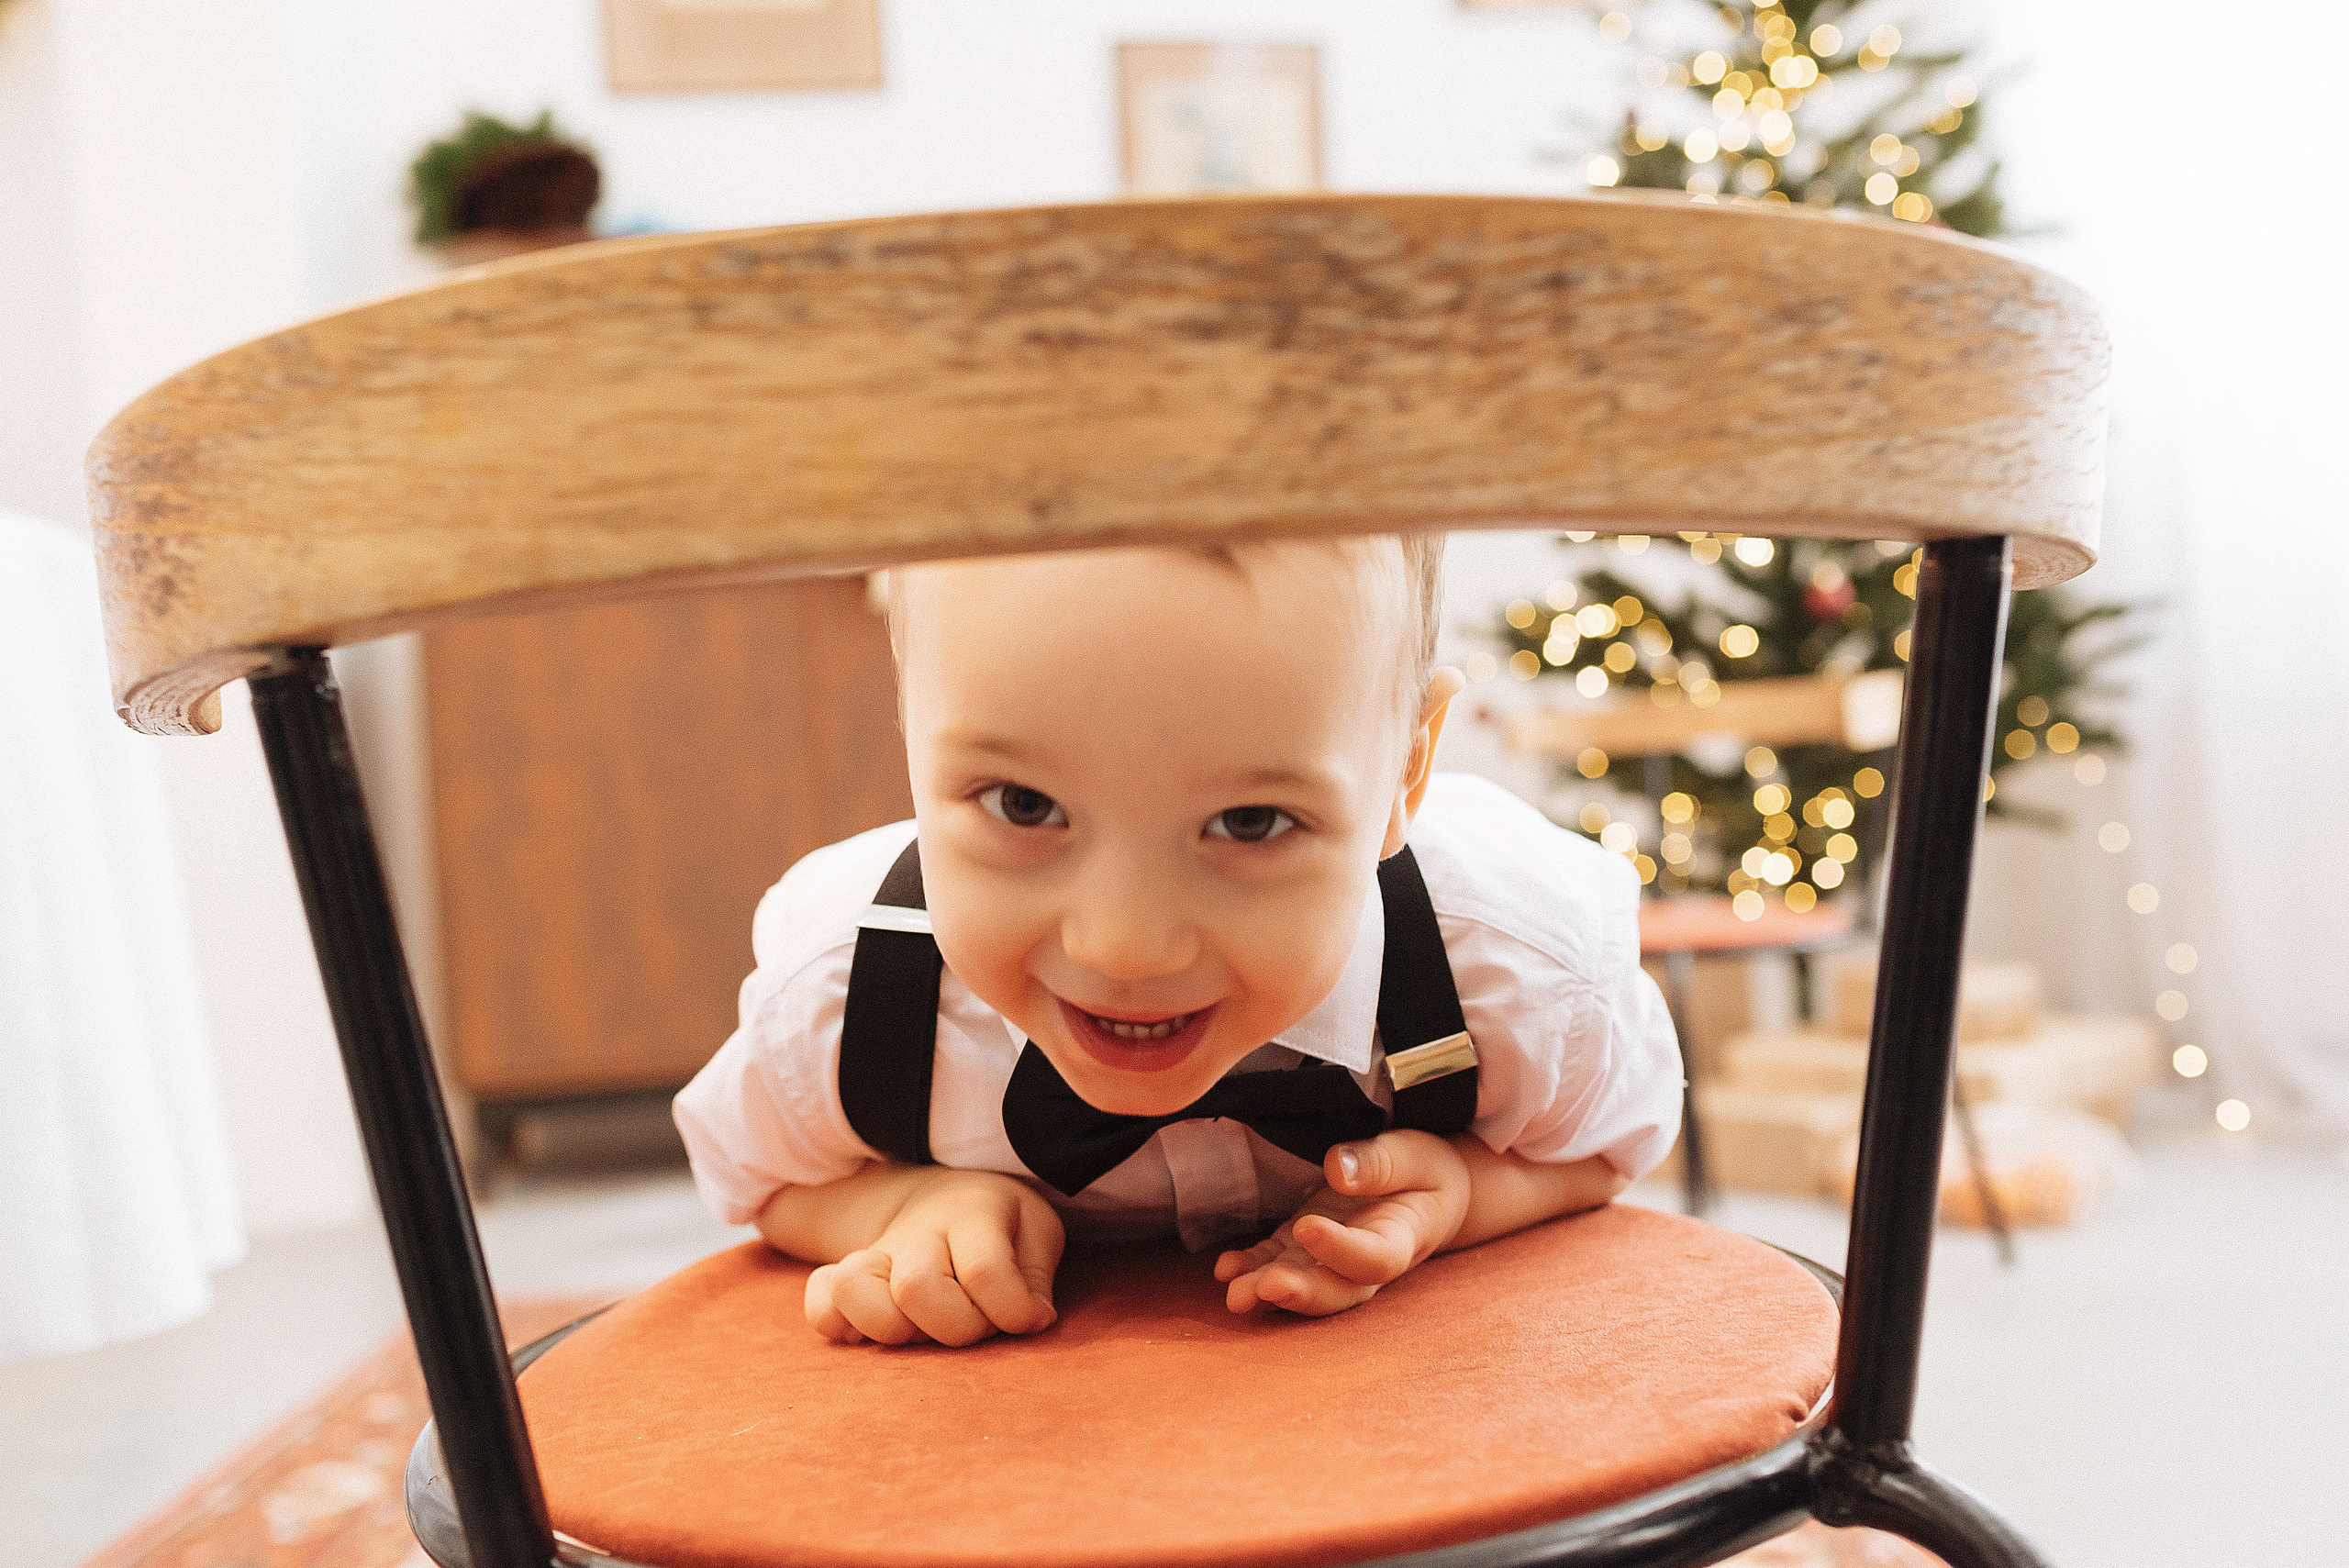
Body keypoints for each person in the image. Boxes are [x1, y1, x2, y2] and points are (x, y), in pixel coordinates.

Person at [674, 537, 1681, 1347]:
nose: (1125, 946)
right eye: (1023, 804)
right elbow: (762, 1183)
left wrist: (1464, 1191)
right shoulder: (851, 992)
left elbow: (1607, 1149)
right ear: (910, 726)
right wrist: (904, 1206)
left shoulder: (1514, 969)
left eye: (1249, 821)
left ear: (1405, 770)